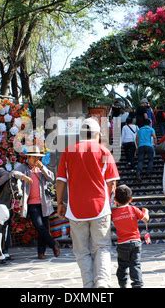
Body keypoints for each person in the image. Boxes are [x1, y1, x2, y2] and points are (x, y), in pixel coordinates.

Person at [56, 118, 120, 288]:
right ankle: (102, 283)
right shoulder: (104, 152)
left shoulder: (68, 151)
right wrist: (107, 200)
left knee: (82, 251)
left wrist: (60, 203)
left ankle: (89, 284)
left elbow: (60, 180)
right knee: (102, 247)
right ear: (98, 133)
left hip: (75, 209)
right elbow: (112, 183)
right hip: (100, 208)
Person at [14, 146, 61, 260]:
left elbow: (52, 178)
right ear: (28, 157)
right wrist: (23, 176)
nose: (36, 160)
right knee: (39, 226)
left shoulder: (41, 168)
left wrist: (43, 168)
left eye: (38, 157)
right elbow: (13, 173)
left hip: (44, 203)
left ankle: (41, 252)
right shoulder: (23, 168)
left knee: (44, 227)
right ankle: (53, 244)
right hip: (31, 203)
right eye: (34, 157)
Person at [111, 185, 149, 288]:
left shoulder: (113, 213)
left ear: (115, 200)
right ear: (131, 199)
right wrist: (146, 211)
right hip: (136, 242)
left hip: (122, 244)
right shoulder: (134, 209)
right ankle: (137, 285)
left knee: (122, 266)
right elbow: (145, 219)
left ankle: (122, 284)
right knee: (135, 265)